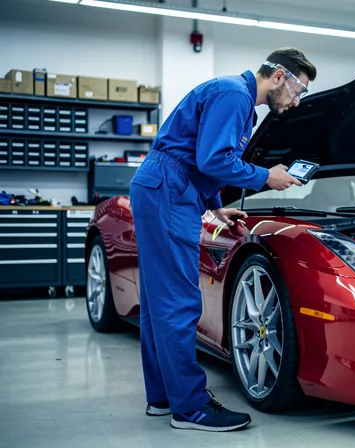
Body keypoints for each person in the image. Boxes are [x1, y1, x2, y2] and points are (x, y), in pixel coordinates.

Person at [129, 48, 316, 432]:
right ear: (279, 76)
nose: (297, 101)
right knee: (179, 302)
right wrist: (266, 176)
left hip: (170, 188)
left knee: (158, 302)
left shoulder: (237, 99)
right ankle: (191, 409)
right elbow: (213, 160)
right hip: (169, 189)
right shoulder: (235, 95)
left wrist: (215, 208)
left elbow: (204, 160)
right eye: (298, 90)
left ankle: (164, 397)